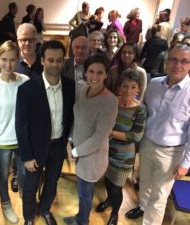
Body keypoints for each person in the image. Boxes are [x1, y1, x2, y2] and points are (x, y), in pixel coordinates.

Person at [125, 44, 190, 225]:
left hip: (171, 153)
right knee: (144, 182)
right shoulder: (154, 84)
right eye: (174, 59)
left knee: (160, 196)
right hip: (147, 143)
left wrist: (186, 163)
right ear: (166, 61)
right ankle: (143, 206)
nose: (178, 65)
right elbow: (144, 112)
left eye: (184, 61)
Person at [15, 40, 75, 225]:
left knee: (52, 183)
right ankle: (28, 217)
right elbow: (21, 125)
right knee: (30, 186)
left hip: (58, 146)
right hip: (35, 148)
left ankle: (45, 209)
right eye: (51, 60)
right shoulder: (27, 89)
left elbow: (71, 117)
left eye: (59, 60)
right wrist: (26, 156)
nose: (55, 64)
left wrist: (69, 140)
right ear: (42, 61)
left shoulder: (70, 86)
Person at [63, 54, 118, 225]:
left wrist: (75, 151)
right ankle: (81, 217)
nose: (94, 77)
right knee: (83, 193)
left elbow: (99, 138)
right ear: (85, 73)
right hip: (80, 152)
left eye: (99, 73)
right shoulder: (83, 90)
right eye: (91, 72)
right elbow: (77, 119)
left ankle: (82, 221)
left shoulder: (109, 101)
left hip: (93, 158)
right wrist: (70, 139)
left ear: (106, 75)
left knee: (84, 194)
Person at [0, 40, 29, 224]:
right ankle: (5, 203)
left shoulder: (25, 81)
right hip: (3, 140)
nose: (8, 64)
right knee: (2, 175)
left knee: (24, 173)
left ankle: (27, 200)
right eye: (4, 59)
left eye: (12, 60)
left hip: (23, 139)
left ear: (18, 59)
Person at [96, 69, 146, 225]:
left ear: (138, 89)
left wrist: (112, 133)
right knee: (107, 181)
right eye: (125, 86)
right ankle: (109, 200)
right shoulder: (112, 101)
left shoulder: (140, 109)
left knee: (117, 187)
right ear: (119, 87)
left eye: (133, 87)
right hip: (106, 152)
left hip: (123, 158)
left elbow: (136, 136)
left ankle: (115, 214)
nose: (128, 90)